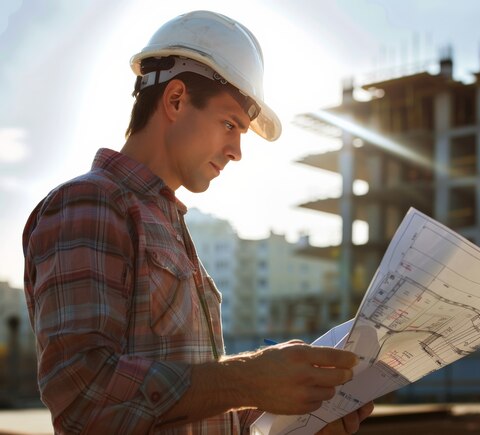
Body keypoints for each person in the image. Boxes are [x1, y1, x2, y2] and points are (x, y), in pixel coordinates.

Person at [23, 10, 373, 434]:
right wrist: (247, 378)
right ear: (175, 100)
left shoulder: (169, 226)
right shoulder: (89, 205)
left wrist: (295, 414)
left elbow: (195, 406)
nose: (237, 151)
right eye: (230, 124)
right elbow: (84, 400)